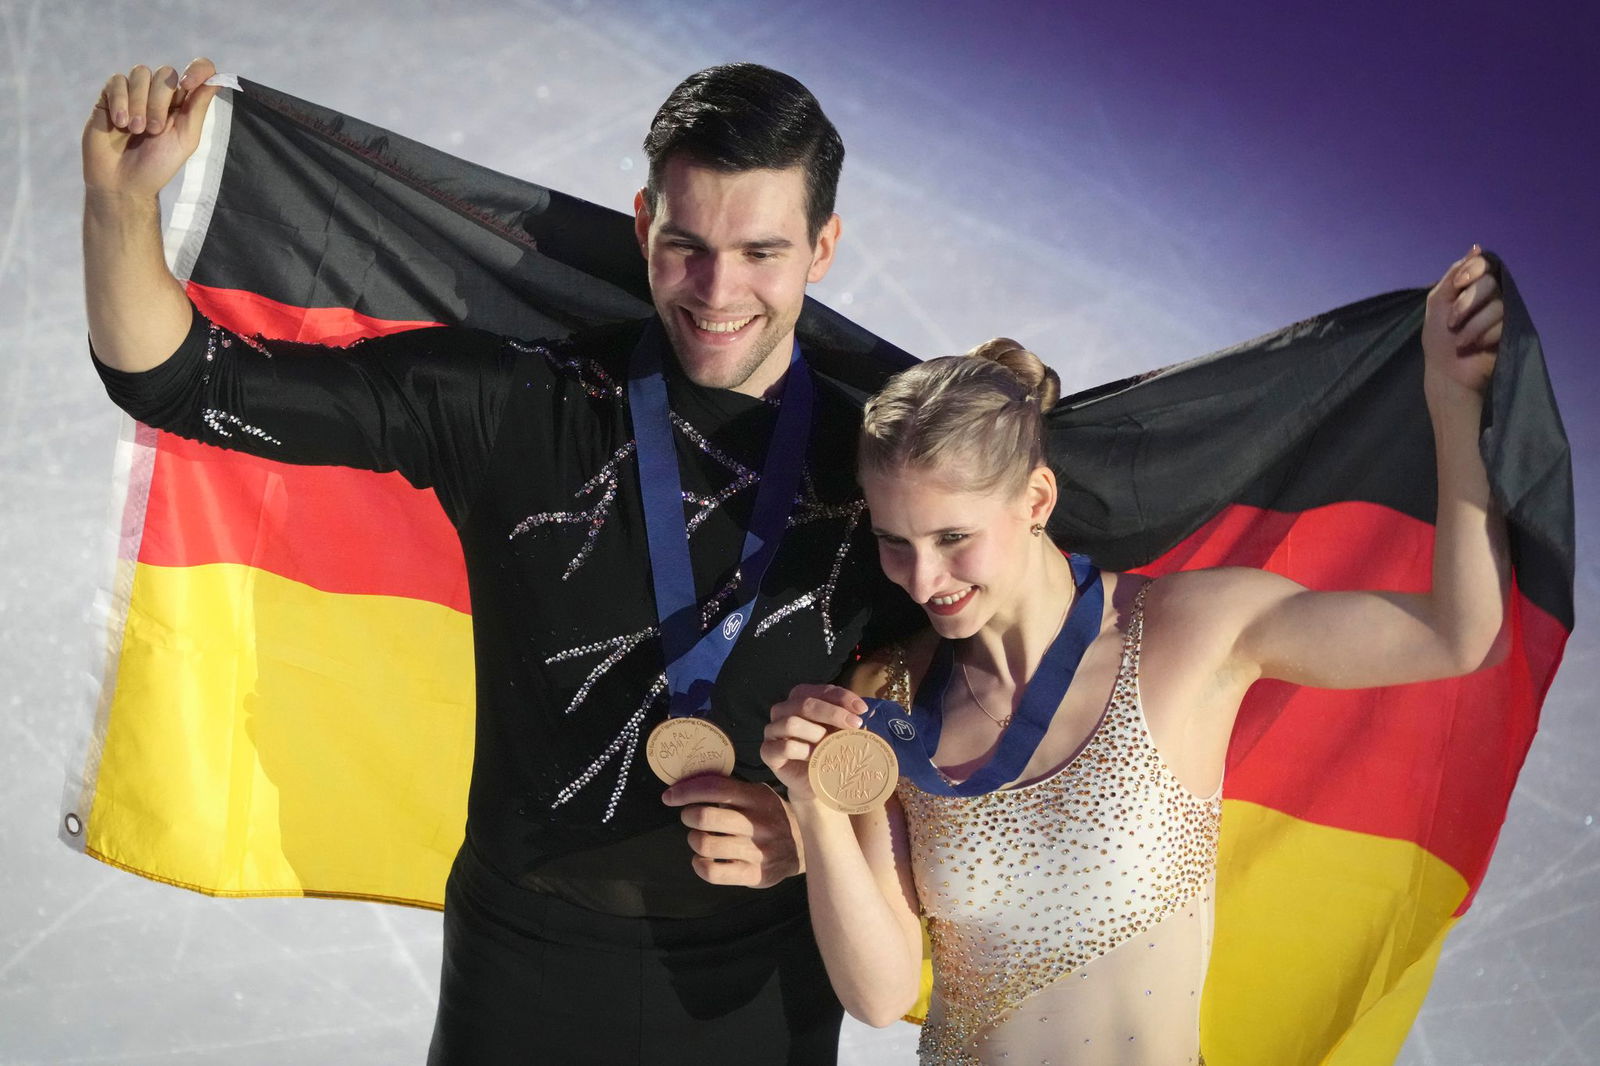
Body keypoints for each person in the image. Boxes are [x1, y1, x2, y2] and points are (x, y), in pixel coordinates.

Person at [84, 57, 912, 1065]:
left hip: (761, 989)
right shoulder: (516, 406)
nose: (718, 290)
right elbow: (181, 383)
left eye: (761, 251)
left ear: (823, 248)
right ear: (643, 225)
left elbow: (951, 699)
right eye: (687, 245)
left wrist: (813, 838)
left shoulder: (889, 471)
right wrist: (120, 204)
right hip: (524, 978)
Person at [761, 250, 1508, 1064]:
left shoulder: (1191, 630)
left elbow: (1454, 634)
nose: (924, 577)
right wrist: (813, 805)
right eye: (894, 543)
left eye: (953, 538)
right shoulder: (890, 694)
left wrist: (1450, 400)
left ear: (1036, 500)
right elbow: (879, 994)